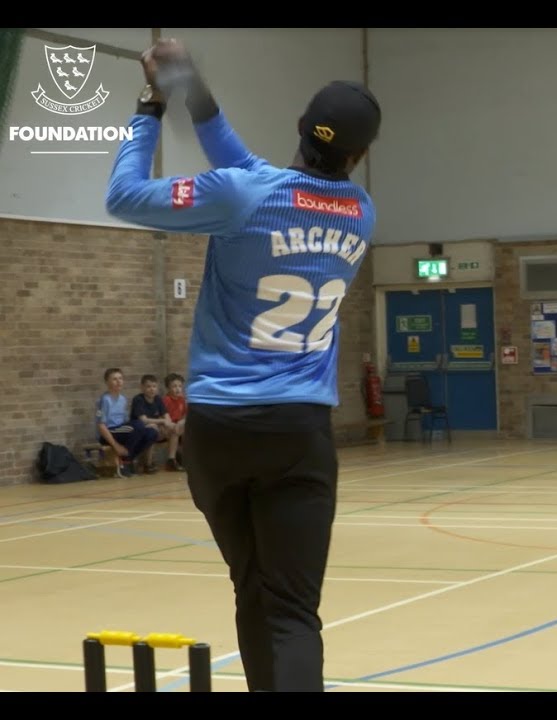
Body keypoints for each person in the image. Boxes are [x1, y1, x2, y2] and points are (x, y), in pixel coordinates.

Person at [103, 38, 381, 692]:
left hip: (219, 435)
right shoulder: (361, 216)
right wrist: (189, 88)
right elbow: (249, 168)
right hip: (298, 435)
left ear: (298, 128)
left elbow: (123, 196)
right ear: (359, 154)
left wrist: (153, 102)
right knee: (290, 610)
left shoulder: (240, 194)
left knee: (250, 587)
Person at [95, 367, 159, 478]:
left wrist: (145, 427)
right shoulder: (104, 400)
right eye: (114, 379)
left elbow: (127, 423)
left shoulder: (123, 399)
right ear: (107, 382)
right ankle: (125, 460)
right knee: (138, 425)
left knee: (151, 432)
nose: (118, 381)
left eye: (120, 378)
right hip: (109, 432)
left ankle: (127, 460)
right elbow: (101, 425)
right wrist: (116, 446)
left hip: (122, 430)